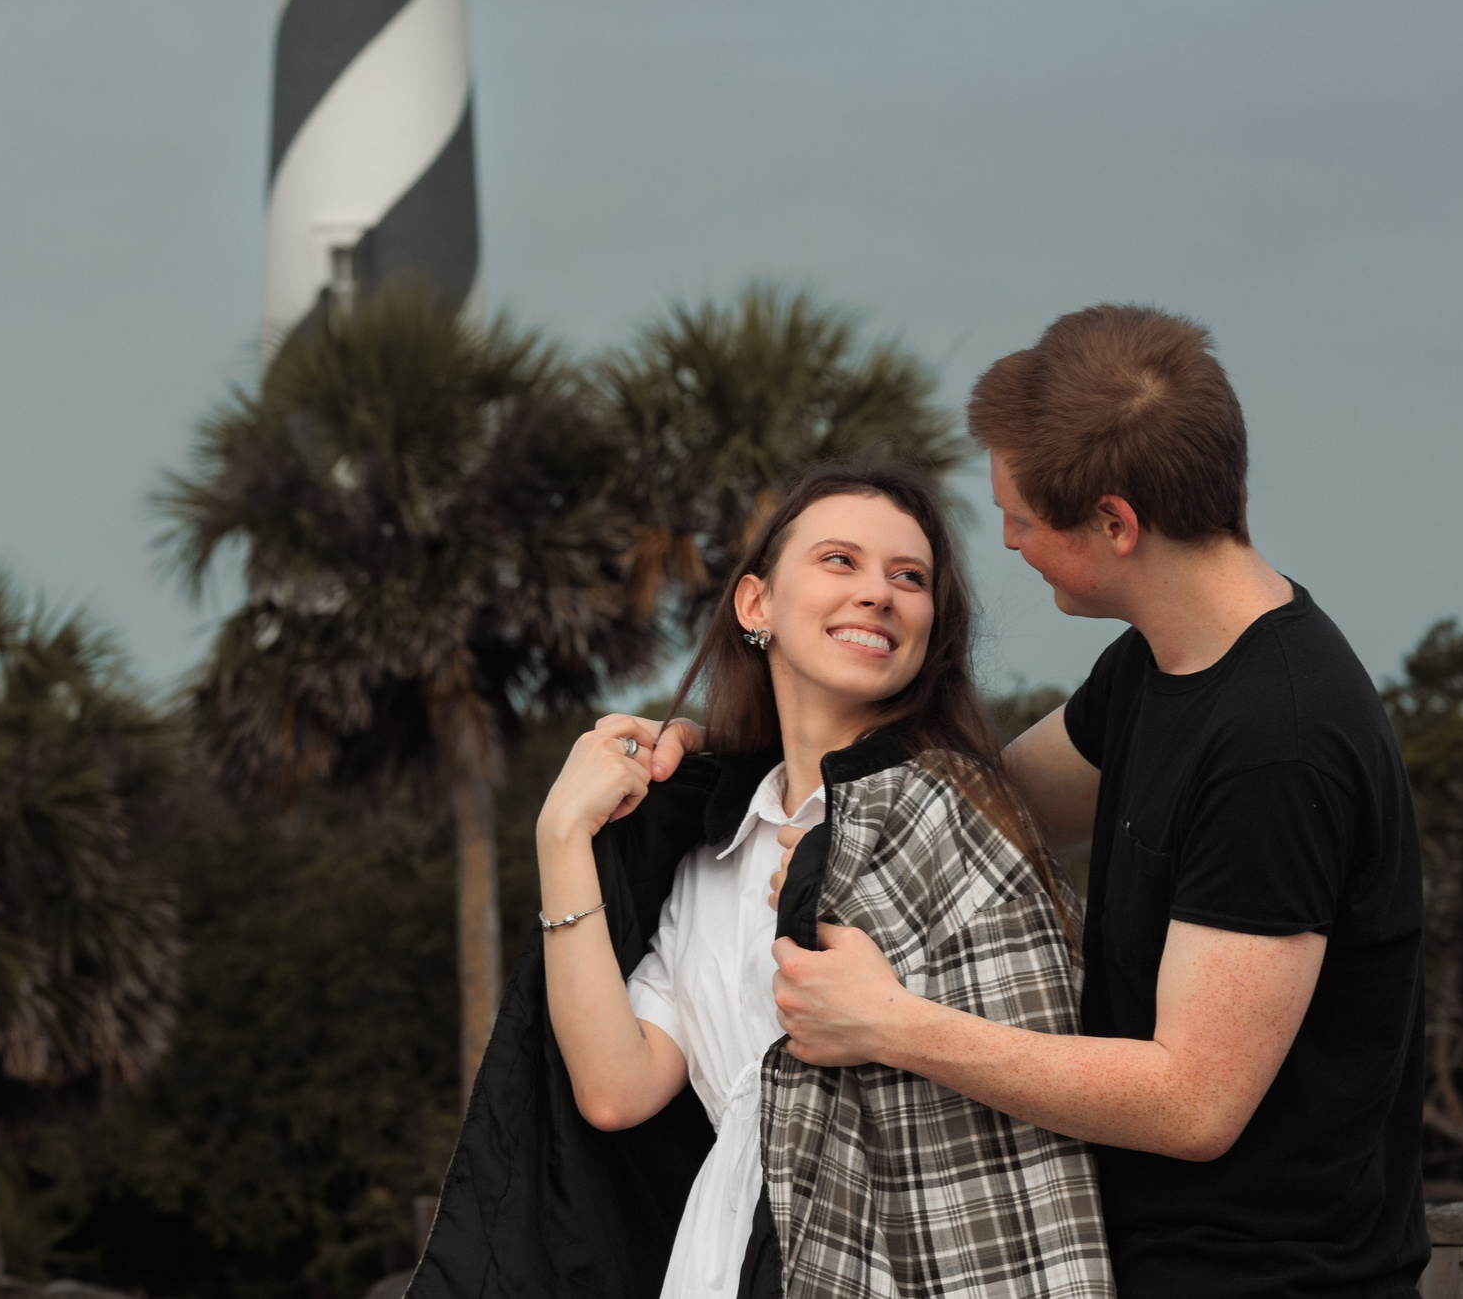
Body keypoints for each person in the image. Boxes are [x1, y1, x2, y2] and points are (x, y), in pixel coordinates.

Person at [652, 307, 1429, 1298]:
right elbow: (983, 804)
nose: (1006, 540)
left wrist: (889, 1022)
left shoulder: (1280, 739)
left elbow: (1193, 1099)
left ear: (1114, 522)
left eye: (1021, 517)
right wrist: (717, 757)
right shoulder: (1152, 666)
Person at [411, 461, 1113, 1299]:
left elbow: (1043, 1108)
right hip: (720, 1264)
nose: (878, 594)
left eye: (910, 577)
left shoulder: (949, 818)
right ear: (756, 605)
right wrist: (562, 835)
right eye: (839, 561)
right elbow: (614, 1088)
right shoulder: (712, 853)